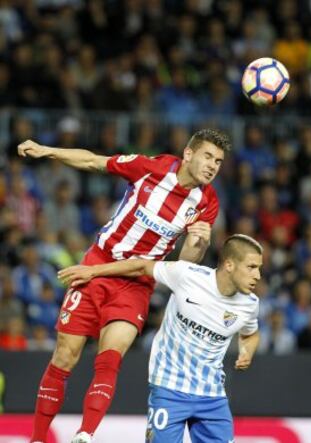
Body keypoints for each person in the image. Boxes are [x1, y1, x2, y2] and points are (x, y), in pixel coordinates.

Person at [17, 128, 231, 443]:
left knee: (110, 356)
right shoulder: (151, 169)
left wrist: (198, 244)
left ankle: (85, 434)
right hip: (97, 266)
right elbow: (93, 161)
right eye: (208, 156)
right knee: (65, 355)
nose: (213, 166)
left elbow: (185, 264)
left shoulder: (206, 202)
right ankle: (37, 438)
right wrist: (47, 150)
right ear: (188, 154)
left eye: (219, 161)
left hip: (136, 284)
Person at [59, 234, 262, 443]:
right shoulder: (187, 276)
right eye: (251, 267)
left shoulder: (249, 304)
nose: (258, 275)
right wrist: (93, 271)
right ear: (229, 265)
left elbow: (251, 334)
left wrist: (247, 351)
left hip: (212, 397)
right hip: (169, 389)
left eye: (259, 268)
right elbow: (141, 267)